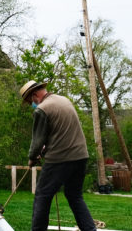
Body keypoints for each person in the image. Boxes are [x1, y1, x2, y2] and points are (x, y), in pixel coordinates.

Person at [20, 80, 96, 231]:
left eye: (30, 102)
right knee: (75, 196)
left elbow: (37, 140)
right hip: (81, 156)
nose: (31, 105)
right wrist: (45, 149)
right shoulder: (64, 100)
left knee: (42, 196)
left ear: (34, 95)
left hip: (60, 159)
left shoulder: (41, 109)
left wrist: (32, 158)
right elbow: (60, 133)